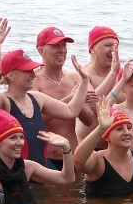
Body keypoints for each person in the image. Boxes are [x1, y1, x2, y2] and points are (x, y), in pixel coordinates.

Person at [0, 18, 90, 167]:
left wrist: (84, 81)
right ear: (11, 76)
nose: (33, 74)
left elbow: (71, 111)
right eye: (27, 71)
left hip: (39, 169)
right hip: (17, 171)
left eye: (33, 70)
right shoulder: (4, 102)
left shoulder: (37, 98)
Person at [32, 26, 96, 168]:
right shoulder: (34, 80)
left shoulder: (74, 77)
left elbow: (89, 120)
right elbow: (34, 121)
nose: (62, 50)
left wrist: (77, 103)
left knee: (74, 190)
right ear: (41, 50)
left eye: (63, 45)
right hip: (44, 157)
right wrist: (71, 99)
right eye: (55, 46)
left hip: (71, 155)